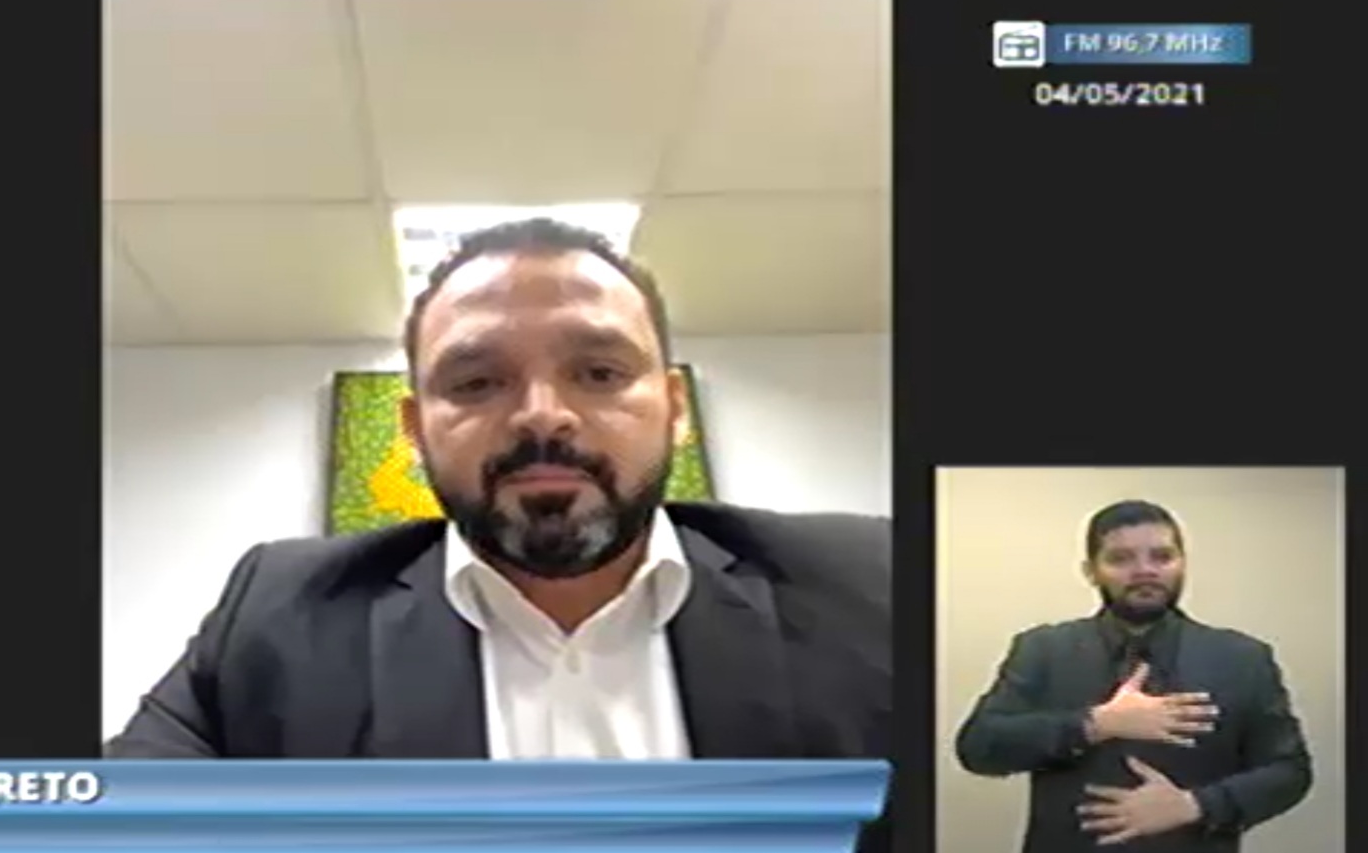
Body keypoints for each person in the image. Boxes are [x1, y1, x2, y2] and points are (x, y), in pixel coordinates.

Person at [106, 218, 892, 847]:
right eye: (477, 381)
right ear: (415, 429)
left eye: (599, 372)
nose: (541, 415)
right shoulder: (279, 613)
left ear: (674, 410)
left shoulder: (871, 583)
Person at [955, 500, 1312, 852]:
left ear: (1183, 564)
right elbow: (979, 748)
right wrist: (1095, 724)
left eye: (1162, 557)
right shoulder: (1044, 649)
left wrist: (1198, 805)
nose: (1144, 571)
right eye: (1120, 559)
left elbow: (1290, 770)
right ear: (1091, 571)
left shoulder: (1242, 658)